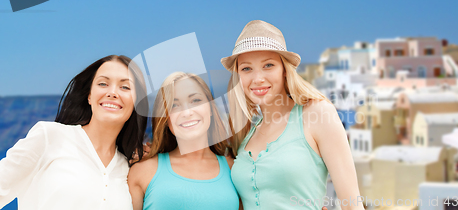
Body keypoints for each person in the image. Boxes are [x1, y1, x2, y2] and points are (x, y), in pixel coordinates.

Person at [221, 20, 364, 210]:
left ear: (285, 70)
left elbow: (352, 205)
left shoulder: (317, 114)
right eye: (246, 68)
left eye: (268, 65)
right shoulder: (245, 132)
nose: (258, 79)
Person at [0, 55, 149, 210]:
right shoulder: (50, 137)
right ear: (89, 96)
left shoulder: (129, 169)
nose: (112, 92)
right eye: (103, 84)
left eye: (125, 87)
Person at [128, 72, 239, 210]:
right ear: (165, 118)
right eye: (174, 105)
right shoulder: (143, 170)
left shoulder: (235, 171)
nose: (187, 112)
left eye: (196, 100)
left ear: (210, 108)